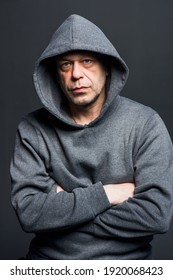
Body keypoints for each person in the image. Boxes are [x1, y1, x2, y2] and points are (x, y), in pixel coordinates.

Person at [10, 14, 173, 260]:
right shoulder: (33, 129)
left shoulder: (145, 124)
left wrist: (64, 211)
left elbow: (156, 215)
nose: (76, 74)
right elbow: (30, 213)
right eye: (66, 64)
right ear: (56, 74)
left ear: (106, 68)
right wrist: (108, 194)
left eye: (87, 61)